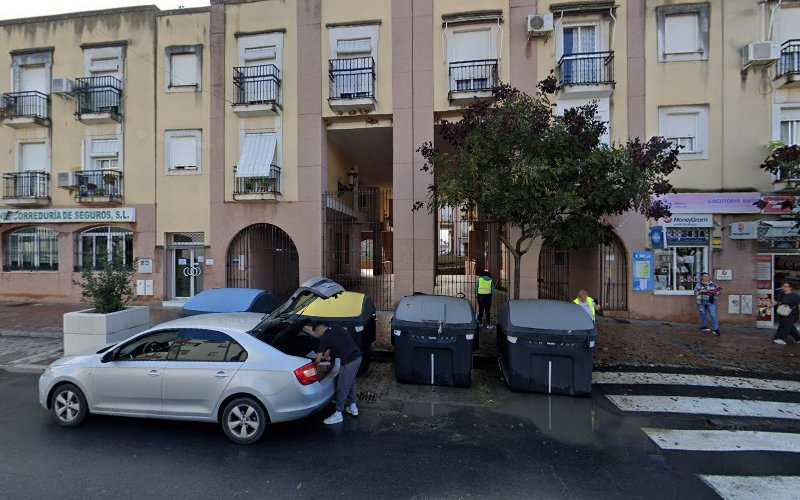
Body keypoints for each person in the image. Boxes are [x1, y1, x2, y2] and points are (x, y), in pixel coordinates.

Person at [305, 322, 362, 424]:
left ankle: (338, 413)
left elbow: (318, 360)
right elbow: (335, 342)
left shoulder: (324, 338)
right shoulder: (336, 327)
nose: (317, 335)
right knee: (351, 382)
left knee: (342, 386)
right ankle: (353, 407)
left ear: (318, 330)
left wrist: (313, 364)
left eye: (316, 333)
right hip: (357, 357)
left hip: (349, 362)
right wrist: (328, 352)